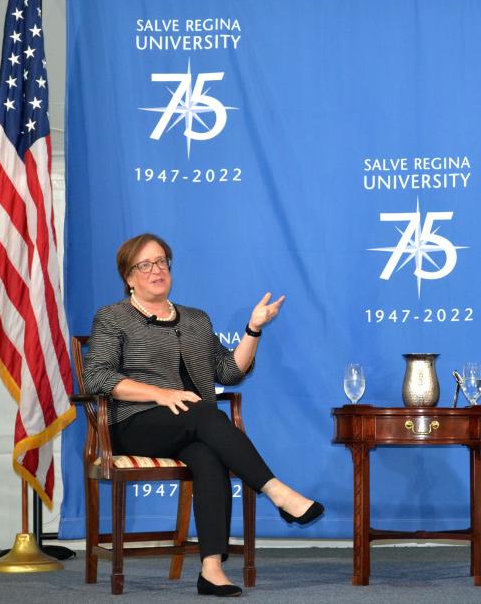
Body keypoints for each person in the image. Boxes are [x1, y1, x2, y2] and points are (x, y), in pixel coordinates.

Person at [84, 233, 323, 597]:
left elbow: (229, 372)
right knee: (203, 412)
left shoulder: (196, 320)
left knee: (208, 454)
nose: (156, 270)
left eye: (162, 261)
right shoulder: (113, 318)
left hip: (192, 424)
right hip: (133, 422)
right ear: (129, 277)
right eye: (144, 265)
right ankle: (277, 492)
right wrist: (160, 395)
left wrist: (253, 328)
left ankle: (211, 569)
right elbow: (98, 377)